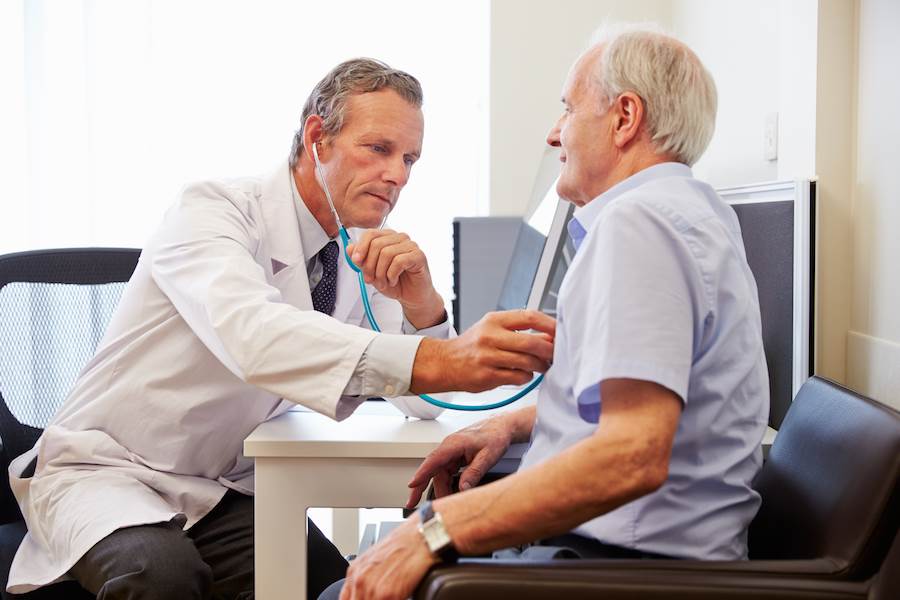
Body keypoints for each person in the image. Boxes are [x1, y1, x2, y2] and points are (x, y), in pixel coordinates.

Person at [5, 58, 555, 599]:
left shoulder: (357, 251)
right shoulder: (211, 211)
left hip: (216, 491)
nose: (398, 175)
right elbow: (255, 335)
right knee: (160, 577)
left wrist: (424, 307)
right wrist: (451, 358)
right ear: (318, 138)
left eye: (410, 158)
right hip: (108, 474)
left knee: (335, 587)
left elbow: (423, 405)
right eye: (379, 149)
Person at [327, 27, 770, 600]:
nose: (554, 132)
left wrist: (430, 535)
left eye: (568, 108)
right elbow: (639, 407)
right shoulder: (690, 212)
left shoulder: (641, 228)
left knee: (348, 586)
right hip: (649, 552)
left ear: (624, 117)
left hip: (621, 566)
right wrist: (513, 421)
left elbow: (632, 456)